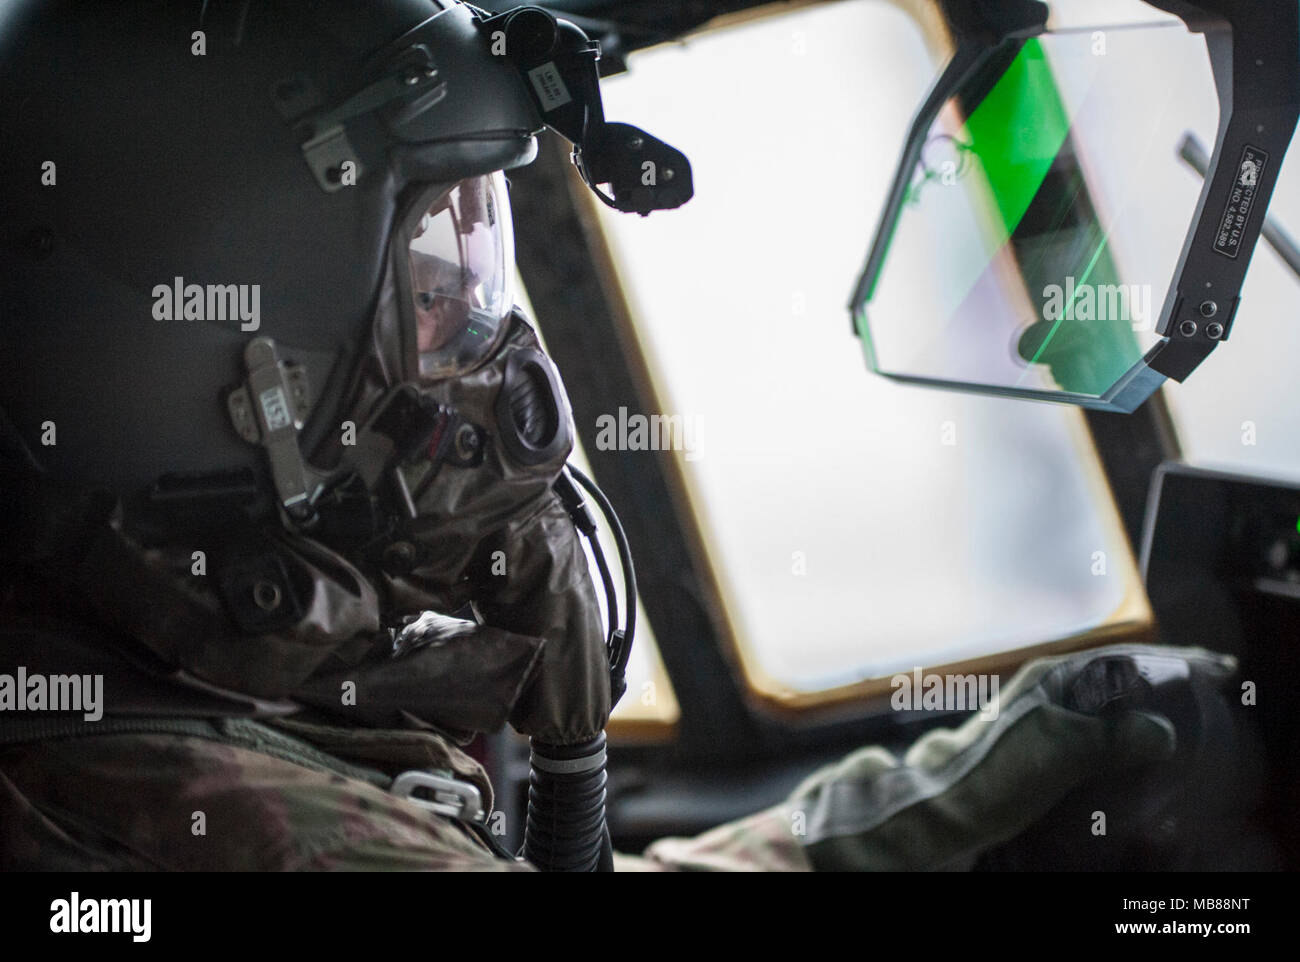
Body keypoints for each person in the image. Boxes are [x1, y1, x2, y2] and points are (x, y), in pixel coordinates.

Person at [0, 0, 1234, 872]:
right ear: (219, 375)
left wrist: (957, 787)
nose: (497, 355)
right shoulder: (228, 818)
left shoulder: (152, 721)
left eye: (477, 259)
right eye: (432, 292)